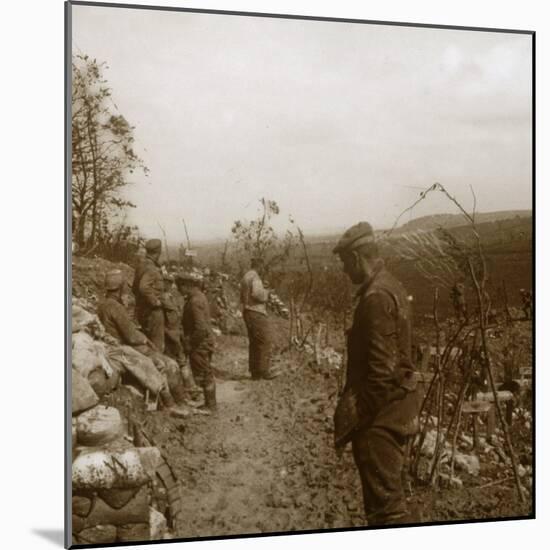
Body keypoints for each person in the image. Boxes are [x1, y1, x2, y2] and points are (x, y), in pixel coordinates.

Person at [332, 222, 419, 526]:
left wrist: (359, 421)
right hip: (398, 408)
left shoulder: (375, 298)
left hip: (380, 419)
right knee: (394, 500)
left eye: (345, 263)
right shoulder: (392, 285)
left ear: (357, 258)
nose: (344, 271)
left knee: (386, 514)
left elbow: (381, 374)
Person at [98, 269, 191, 416]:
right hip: (122, 348)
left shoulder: (103, 304)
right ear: (120, 287)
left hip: (115, 346)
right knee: (167, 364)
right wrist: (146, 340)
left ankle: (178, 401)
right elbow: (131, 336)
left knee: (160, 360)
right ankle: (173, 403)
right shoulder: (114, 306)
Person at [175, 272, 217, 413]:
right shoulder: (199, 297)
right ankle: (209, 403)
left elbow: (200, 328)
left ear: (187, 286)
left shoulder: (194, 302)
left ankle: (210, 406)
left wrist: (189, 343)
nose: (179, 290)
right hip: (204, 342)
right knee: (207, 372)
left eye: (180, 287)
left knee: (205, 374)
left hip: (200, 344)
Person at [161, 272, 202, 402]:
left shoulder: (167, 298)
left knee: (177, 363)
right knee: (181, 363)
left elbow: (173, 318)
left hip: (172, 335)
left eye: (169, 283)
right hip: (173, 334)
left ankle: (186, 391)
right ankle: (190, 389)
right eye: (166, 282)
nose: (167, 285)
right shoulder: (169, 298)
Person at [240, 257, 280, 380]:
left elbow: (244, 296)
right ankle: (263, 371)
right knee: (264, 341)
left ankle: (255, 372)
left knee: (254, 343)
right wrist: (267, 292)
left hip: (248, 311)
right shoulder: (255, 277)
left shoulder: (246, 276)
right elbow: (258, 295)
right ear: (259, 266)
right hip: (256, 312)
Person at [132, 238, 165, 352]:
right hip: (153, 312)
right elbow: (143, 287)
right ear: (159, 251)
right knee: (157, 346)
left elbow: (134, 287)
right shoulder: (151, 268)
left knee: (148, 345)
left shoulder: (141, 265)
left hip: (142, 310)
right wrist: (155, 301)